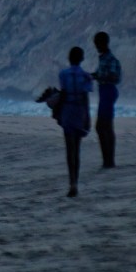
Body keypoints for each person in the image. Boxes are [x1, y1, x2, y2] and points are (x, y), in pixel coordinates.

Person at [53, 47, 94, 197]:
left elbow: (63, 95)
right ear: (82, 59)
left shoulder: (63, 74)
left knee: (69, 149)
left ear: (69, 59)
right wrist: (88, 119)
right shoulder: (86, 77)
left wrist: (57, 112)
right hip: (79, 112)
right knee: (77, 150)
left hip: (68, 111)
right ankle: (76, 181)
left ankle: (72, 183)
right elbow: (85, 99)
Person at [91, 31, 122, 168]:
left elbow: (114, 78)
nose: (97, 47)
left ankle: (109, 161)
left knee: (103, 126)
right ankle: (108, 160)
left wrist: (98, 77)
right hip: (104, 92)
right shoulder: (103, 58)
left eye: (98, 44)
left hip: (108, 91)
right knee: (106, 126)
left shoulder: (111, 59)